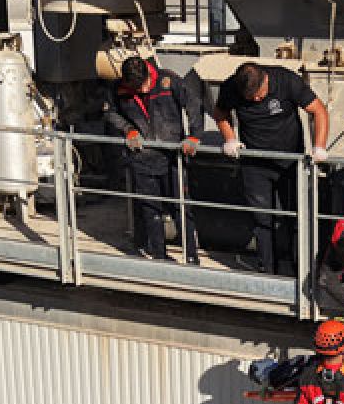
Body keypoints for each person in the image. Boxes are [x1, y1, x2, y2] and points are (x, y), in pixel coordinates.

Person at [214, 62, 330, 274]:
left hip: (290, 161)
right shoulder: (231, 87)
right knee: (262, 220)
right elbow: (220, 112)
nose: (257, 100)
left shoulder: (286, 80)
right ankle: (268, 271)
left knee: (296, 217)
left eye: (259, 95)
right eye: (251, 99)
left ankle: (302, 271)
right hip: (255, 163)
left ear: (265, 79)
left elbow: (319, 110)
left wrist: (319, 147)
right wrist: (230, 139)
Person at [105, 56, 202, 264]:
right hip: (142, 157)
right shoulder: (119, 89)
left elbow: (193, 104)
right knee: (150, 208)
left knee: (181, 208)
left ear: (149, 74)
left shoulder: (169, 80)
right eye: (136, 87)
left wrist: (194, 136)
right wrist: (128, 129)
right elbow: (111, 113)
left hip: (172, 157)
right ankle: (159, 254)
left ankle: (191, 256)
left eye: (144, 84)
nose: (143, 90)